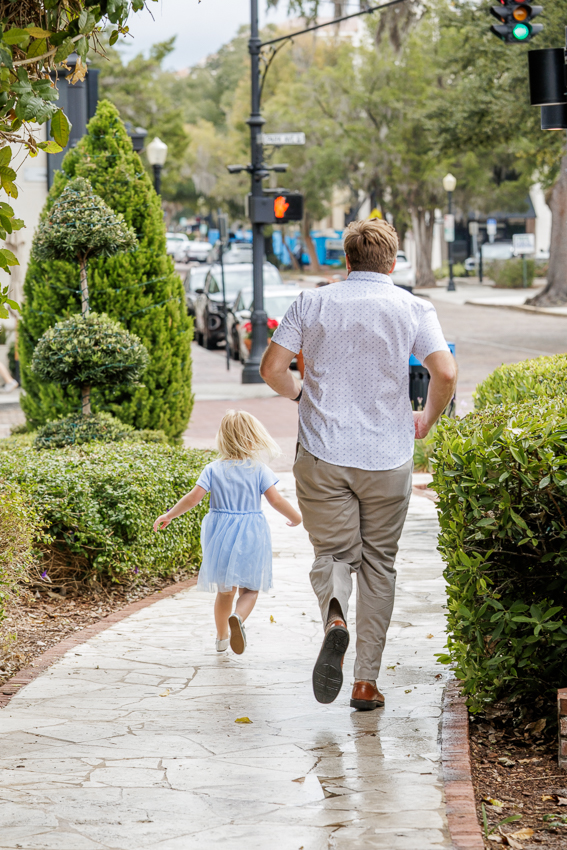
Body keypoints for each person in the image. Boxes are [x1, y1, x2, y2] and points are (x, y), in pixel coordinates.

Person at [260, 218, 457, 710]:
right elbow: (445, 371)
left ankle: (334, 619)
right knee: (378, 565)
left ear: (344, 261)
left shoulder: (312, 301)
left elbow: (271, 369)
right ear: (391, 263)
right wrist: (426, 418)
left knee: (332, 554)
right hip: (388, 457)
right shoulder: (413, 306)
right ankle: (366, 682)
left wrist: (300, 393)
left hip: (324, 453)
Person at [153, 410, 302, 654]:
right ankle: (239, 618)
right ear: (254, 439)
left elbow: (193, 499)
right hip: (251, 534)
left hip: (220, 535)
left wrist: (169, 514)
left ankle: (222, 638)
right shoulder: (259, 469)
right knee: (250, 589)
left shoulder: (212, 469)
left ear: (222, 438)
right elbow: (275, 501)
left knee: (225, 591)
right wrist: (296, 517)